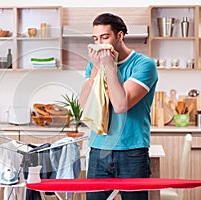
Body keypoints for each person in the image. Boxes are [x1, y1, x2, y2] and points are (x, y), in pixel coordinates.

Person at [79, 13, 158, 200]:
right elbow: (84, 104)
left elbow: (121, 105)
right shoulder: (95, 65)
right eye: (95, 39)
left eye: (105, 37)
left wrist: (110, 68)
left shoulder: (143, 65)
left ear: (120, 36)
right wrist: (97, 68)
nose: (99, 43)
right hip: (99, 150)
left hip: (132, 152)